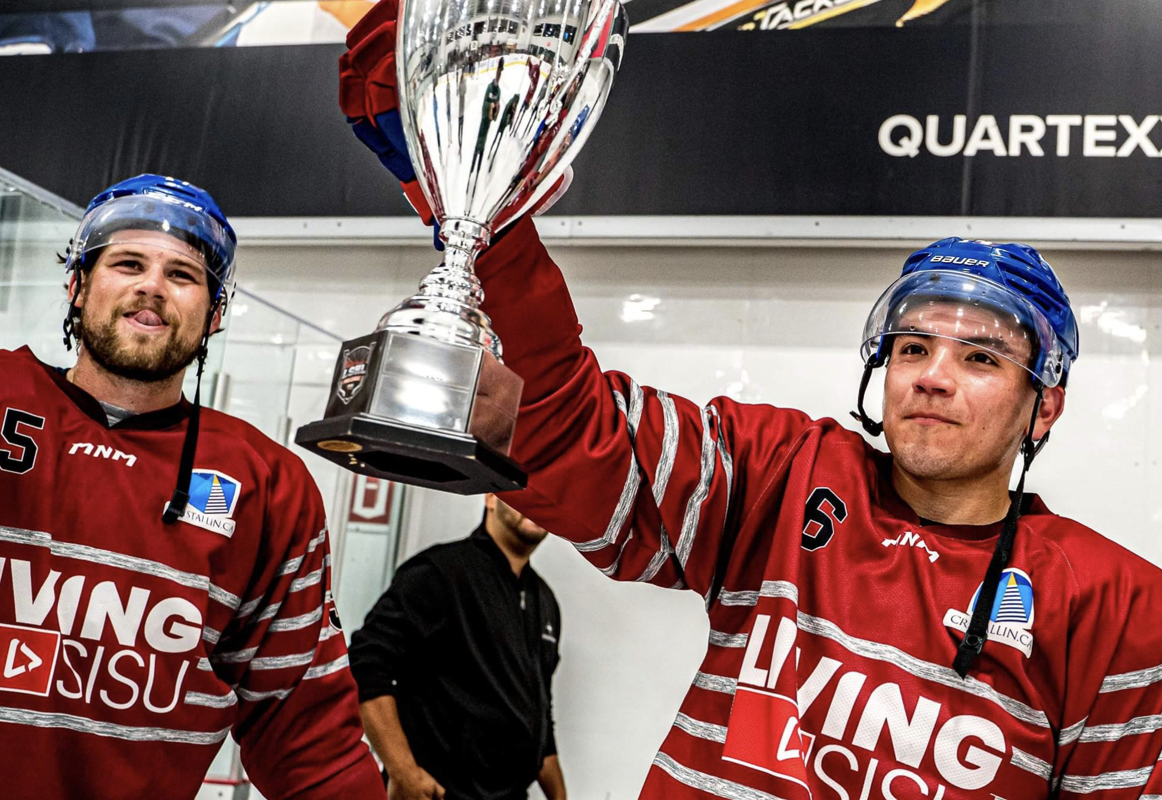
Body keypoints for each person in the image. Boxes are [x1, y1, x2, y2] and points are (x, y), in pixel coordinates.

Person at [341, 4, 1162, 798]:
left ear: (1043, 408)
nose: (932, 376)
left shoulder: (1120, 604)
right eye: (912, 347)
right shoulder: (781, 474)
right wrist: (492, 220)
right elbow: (578, 432)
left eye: (980, 357)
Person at [0, 175, 385, 799]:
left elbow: (307, 732)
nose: (152, 284)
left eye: (183, 275)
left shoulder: (267, 485)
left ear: (216, 315)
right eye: (128, 263)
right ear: (75, 286)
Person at [349, 494, 565, 800]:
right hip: (442, 793)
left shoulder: (545, 602)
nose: (537, 501)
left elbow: (540, 715)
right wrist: (404, 772)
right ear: (491, 497)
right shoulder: (439, 572)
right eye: (524, 489)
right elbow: (367, 666)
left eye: (547, 493)